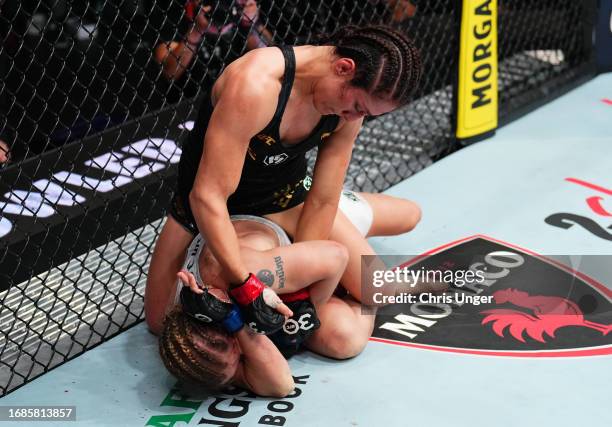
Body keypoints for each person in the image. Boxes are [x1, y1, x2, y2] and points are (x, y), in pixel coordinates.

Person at [146, 23, 423, 360]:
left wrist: (303, 290)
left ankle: (354, 216)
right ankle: (354, 219)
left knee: (376, 291)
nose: (354, 117)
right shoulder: (256, 85)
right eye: (357, 107)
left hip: (286, 202)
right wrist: (245, 284)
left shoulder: (348, 107)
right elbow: (207, 197)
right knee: (160, 321)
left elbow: (322, 198)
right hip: (206, 208)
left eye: (364, 113)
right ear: (343, 68)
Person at [154, 0, 273, 82]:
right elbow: (170, 73)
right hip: (190, 103)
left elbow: (270, 56)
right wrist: (196, 31)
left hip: (239, 92)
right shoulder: (174, 13)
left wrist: (251, 23)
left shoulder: (235, 9)